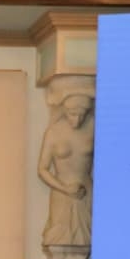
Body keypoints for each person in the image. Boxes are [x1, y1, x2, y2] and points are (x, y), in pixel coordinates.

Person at [37, 93, 93, 246]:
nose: (77, 120)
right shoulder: (54, 132)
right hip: (62, 191)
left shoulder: (93, 127)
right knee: (59, 238)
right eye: (72, 114)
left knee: (87, 239)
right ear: (65, 110)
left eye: (82, 115)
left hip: (86, 192)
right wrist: (65, 189)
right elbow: (42, 169)